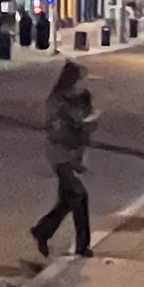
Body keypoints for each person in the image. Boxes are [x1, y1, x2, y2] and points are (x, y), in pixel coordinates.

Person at [31, 58, 98, 261]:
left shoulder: (79, 97)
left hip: (73, 153)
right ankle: (82, 245)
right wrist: (73, 128)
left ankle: (42, 231)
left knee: (67, 202)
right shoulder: (56, 100)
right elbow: (54, 130)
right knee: (79, 195)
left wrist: (85, 125)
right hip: (60, 155)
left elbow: (90, 119)